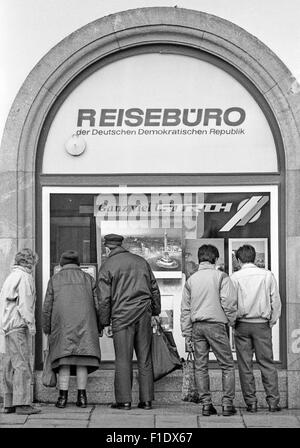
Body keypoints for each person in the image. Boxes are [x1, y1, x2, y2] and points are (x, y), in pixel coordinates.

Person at [98, 233, 161, 411]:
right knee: (145, 358)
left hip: (121, 316)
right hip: (143, 313)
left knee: (123, 359)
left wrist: (105, 322)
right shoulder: (141, 262)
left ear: (107, 247)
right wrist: (155, 311)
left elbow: (104, 299)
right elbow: (154, 288)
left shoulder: (107, 265)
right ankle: (146, 401)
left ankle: (124, 401)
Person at [181, 244, 237, 417]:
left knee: (201, 367)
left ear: (199, 259)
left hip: (197, 327)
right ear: (216, 259)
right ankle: (227, 404)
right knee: (227, 365)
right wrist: (232, 321)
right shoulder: (221, 277)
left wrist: (186, 333)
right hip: (216, 326)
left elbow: (185, 309)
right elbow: (228, 303)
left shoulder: (191, 280)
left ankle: (206, 404)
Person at [42, 250, 102, 409]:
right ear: (78, 263)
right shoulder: (88, 279)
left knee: (64, 362)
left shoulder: (55, 279)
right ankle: (82, 398)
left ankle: (62, 398)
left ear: (62, 263)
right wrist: (100, 326)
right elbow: (98, 305)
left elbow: (47, 307)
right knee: (82, 361)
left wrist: (46, 328)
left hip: (62, 328)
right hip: (86, 327)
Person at [230, 244, 282, 413]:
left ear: (238, 260)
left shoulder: (235, 277)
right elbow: (276, 302)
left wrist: (232, 322)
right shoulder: (267, 275)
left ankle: (251, 403)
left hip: (242, 324)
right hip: (262, 324)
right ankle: (273, 402)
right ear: (254, 258)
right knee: (267, 363)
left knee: (245, 365)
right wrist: (272, 321)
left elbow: (230, 303)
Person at [0, 248, 41, 415]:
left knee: (9, 365)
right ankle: (23, 403)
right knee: (22, 364)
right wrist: (31, 324)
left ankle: (8, 402)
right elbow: (25, 303)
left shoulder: (11, 276)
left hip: (7, 326)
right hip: (18, 326)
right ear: (29, 262)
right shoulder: (25, 277)